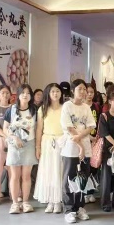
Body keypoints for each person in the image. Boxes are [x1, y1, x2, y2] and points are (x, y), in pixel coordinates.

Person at [60, 79, 94, 223]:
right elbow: (69, 127)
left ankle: (80, 207)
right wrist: (80, 146)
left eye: (84, 89)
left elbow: (90, 126)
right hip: (71, 147)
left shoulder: (86, 107)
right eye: (80, 89)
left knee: (83, 178)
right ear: (73, 91)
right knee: (69, 178)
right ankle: (69, 209)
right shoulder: (67, 106)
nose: (83, 92)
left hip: (84, 146)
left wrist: (81, 138)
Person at [3, 84, 38, 214]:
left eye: (28, 93)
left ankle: (26, 202)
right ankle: (15, 203)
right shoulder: (11, 110)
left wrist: (37, 147)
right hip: (14, 145)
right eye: (23, 92)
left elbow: (38, 129)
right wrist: (13, 138)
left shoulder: (35, 110)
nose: (25, 95)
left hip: (29, 144)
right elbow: (5, 128)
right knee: (15, 175)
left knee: (26, 175)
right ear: (18, 95)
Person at [35, 83, 64, 213]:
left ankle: (58, 201)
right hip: (47, 142)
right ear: (48, 93)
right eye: (52, 91)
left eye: (57, 91)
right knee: (48, 171)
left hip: (61, 141)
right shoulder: (42, 109)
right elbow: (39, 129)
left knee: (59, 171)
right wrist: (37, 147)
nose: (55, 94)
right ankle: (50, 201)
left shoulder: (65, 108)